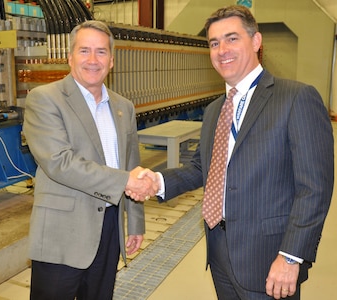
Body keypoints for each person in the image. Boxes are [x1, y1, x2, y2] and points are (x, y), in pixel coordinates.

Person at [128, 5, 334, 300]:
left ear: (256, 41)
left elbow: (315, 189)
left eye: (232, 38)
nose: (222, 49)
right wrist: (156, 182)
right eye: (214, 43)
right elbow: (202, 168)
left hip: (270, 259)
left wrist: (291, 257)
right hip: (220, 254)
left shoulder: (296, 98)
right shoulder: (215, 110)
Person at [23, 20, 157, 300]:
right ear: (70, 56)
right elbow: (60, 162)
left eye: (101, 52)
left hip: (109, 229)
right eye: (84, 51)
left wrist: (135, 223)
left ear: (111, 61)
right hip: (62, 232)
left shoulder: (124, 106)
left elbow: (132, 164)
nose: (93, 60)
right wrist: (126, 181)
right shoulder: (45, 99)